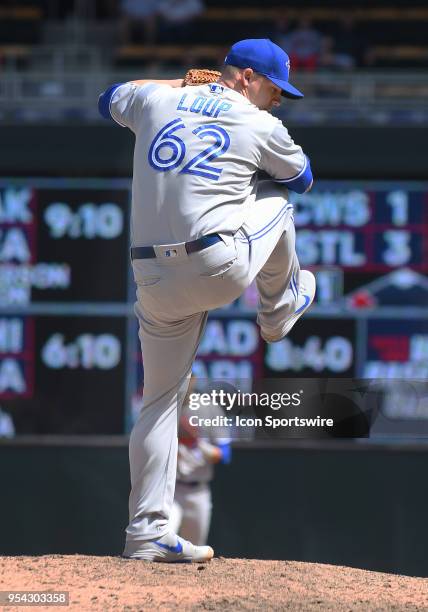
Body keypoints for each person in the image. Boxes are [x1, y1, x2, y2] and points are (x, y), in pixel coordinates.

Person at [98, 37, 315, 563]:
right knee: (280, 203)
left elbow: (107, 98)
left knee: (158, 402)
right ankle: (279, 309)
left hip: (151, 274)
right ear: (243, 77)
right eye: (274, 86)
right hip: (217, 264)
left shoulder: (156, 100)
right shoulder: (258, 122)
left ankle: (145, 535)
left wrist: (181, 84)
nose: (279, 99)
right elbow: (303, 178)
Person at [170, 377, 231, 545]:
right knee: (165, 541)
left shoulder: (209, 408)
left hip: (198, 492)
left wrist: (196, 442)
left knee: (195, 552)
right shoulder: (164, 406)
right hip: (170, 491)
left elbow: (225, 454)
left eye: (188, 377)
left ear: (194, 380)